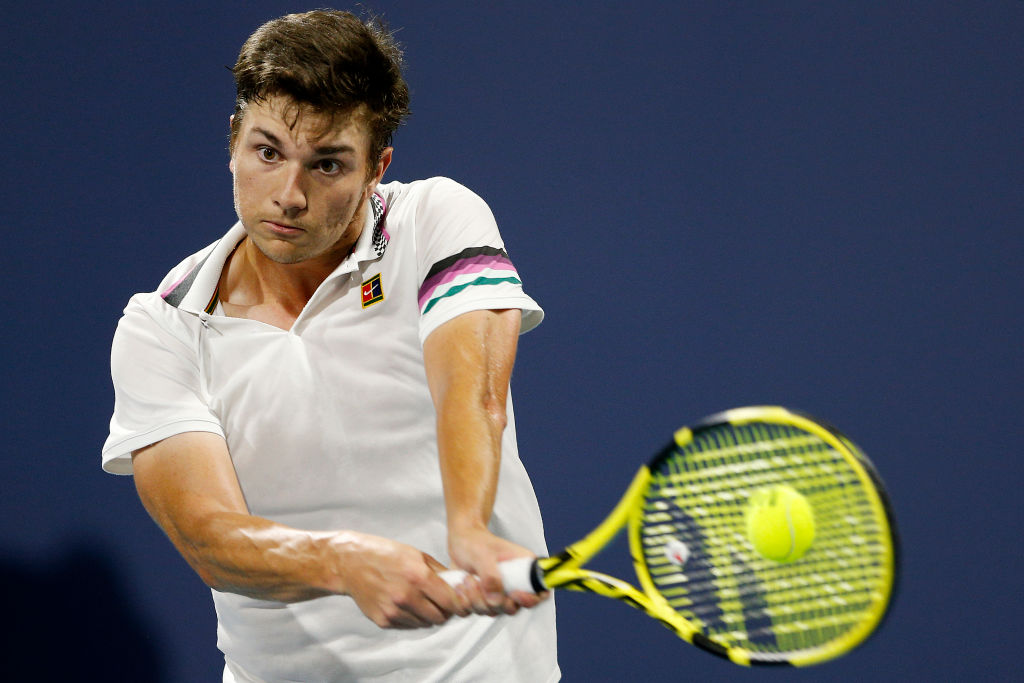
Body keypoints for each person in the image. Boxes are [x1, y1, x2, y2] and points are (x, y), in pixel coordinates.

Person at [101, 9, 559, 682]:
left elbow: (472, 396)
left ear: (377, 167)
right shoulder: (163, 325)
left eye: (327, 164)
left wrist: (468, 527)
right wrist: (342, 561)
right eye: (267, 152)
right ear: (233, 141)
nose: (289, 195)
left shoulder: (435, 219)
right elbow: (208, 535)